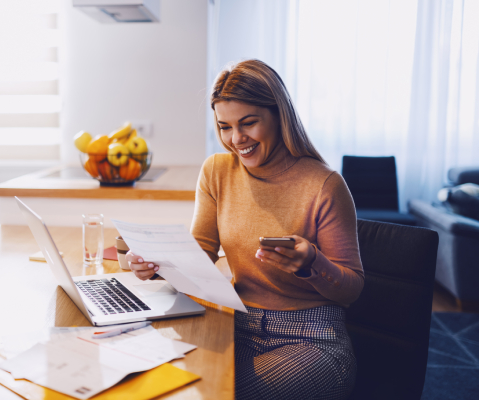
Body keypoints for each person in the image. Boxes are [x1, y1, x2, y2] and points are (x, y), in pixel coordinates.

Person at [126, 59, 364, 400]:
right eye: (224, 127)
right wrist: (155, 266)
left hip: (312, 339)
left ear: (278, 114)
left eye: (248, 123)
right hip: (237, 324)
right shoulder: (217, 172)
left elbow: (352, 289)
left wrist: (311, 263)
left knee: (210, 393)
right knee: (160, 378)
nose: (237, 139)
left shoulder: (324, 184)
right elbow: (199, 256)